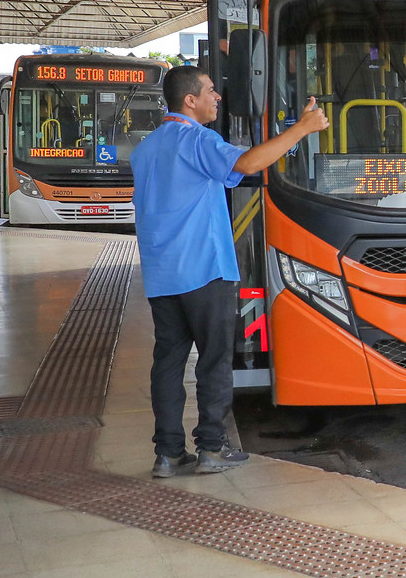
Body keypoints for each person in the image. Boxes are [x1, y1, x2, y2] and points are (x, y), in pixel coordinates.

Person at [132, 66, 328, 479]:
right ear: (190, 100)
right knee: (215, 361)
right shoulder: (198, 139)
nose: (217, 97)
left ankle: (167, 454)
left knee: (167, 363)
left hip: (162, 275)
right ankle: (211, 447)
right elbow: (248, 163)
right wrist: (303, 129)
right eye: (210, 91)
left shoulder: (146, 148)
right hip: (205, 270)